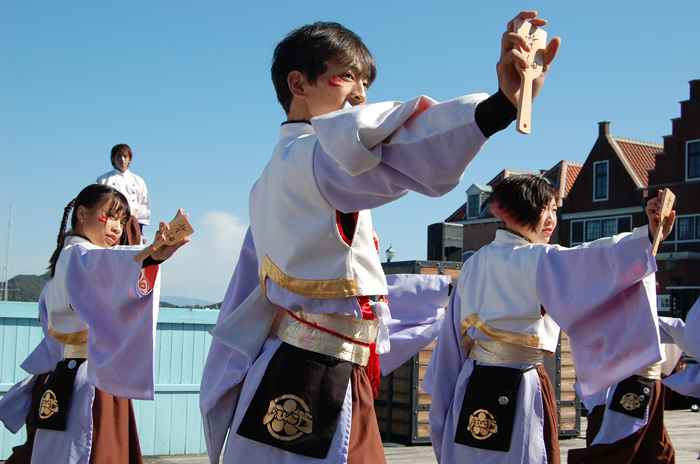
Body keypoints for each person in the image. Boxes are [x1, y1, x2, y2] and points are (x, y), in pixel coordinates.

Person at [200, 11, 561, 464]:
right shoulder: (312, 158)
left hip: (306, 369)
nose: (361, 93)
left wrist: (441, 288)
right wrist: (496, 109)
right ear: (298, 84)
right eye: (345, 75)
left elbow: (335, 286)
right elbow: (392, 145)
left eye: (366, 81)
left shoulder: (276, 177)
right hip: (311, 378)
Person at [423, 176, 675, 464]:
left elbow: (452, 341)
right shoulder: (538, 258)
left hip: (472, 380)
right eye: (541, 209)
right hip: (521, 383)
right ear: (509, 212)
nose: (550, 219)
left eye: (554, 209)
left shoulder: (473, 263)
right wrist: (646, 239)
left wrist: (444, 403)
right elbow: (595, 261)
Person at [0, 184, 189, 464]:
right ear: (81, 213)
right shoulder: (78, 255)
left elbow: (109, 271)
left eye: (123, 221)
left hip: (70, 373)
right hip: (86, 381)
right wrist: (151, 254)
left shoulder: (72, 262)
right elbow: (107, 268)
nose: (117, 227)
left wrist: (150, 254)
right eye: (110, 216)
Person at [96, 143, 150, 241]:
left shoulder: (138, 181)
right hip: (111, 222)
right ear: (113, 159)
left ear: (129, 159)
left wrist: (140, 231)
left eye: (125, 156)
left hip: (131, 222)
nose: (122, 159)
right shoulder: (103, 180)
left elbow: (143, 205)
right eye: (118, 156)